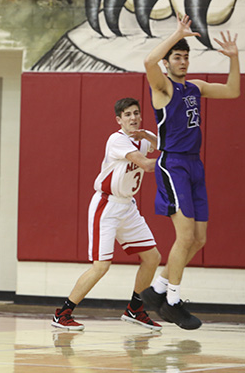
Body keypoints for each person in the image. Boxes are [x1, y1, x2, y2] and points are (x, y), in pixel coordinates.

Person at [141, 15, 240, 330]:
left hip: (195, 165)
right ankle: (171, 300)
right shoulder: (162, 87)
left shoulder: (195, 87)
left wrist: (235, 58)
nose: (182, 61)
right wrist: (177, 34)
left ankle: (155, 290)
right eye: (177, 57)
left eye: (186, 56)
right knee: (184, 236)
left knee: (199, 239)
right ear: (168, 63)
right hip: (173, 164)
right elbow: (148, 60)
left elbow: (232, 91)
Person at [52, 98, 162, 332]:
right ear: (119, 120)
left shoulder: (142, 136)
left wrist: (150, 137)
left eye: (136, 113)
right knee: (101, 266)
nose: (133, 118)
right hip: (107, 206)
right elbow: (146, 164)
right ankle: (63, 313)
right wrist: (178, 161)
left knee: (152, 257)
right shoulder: (117, 140)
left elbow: (161, 144)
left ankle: (135, 309)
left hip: (128, 207)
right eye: (127, 115)